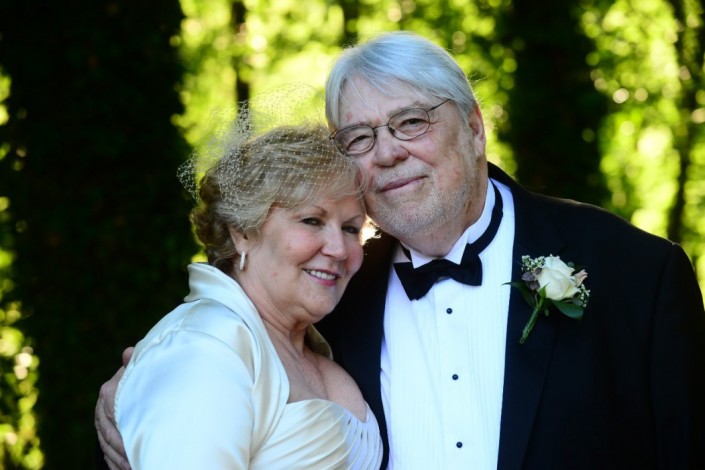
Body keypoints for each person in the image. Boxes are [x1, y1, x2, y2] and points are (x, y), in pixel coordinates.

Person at [96, 31, 705, 469]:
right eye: (360, 137)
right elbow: (209, 378)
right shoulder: (333, 294)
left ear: (473, 127)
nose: (387, 152)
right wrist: (133, 390)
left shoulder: (636, 275)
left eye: (411, 122)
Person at [107, 117, 383, 469]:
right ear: (242, 232)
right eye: (311, 220)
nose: (339, 249)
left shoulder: (320, 348)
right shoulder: (205, 345)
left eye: (351, 229)